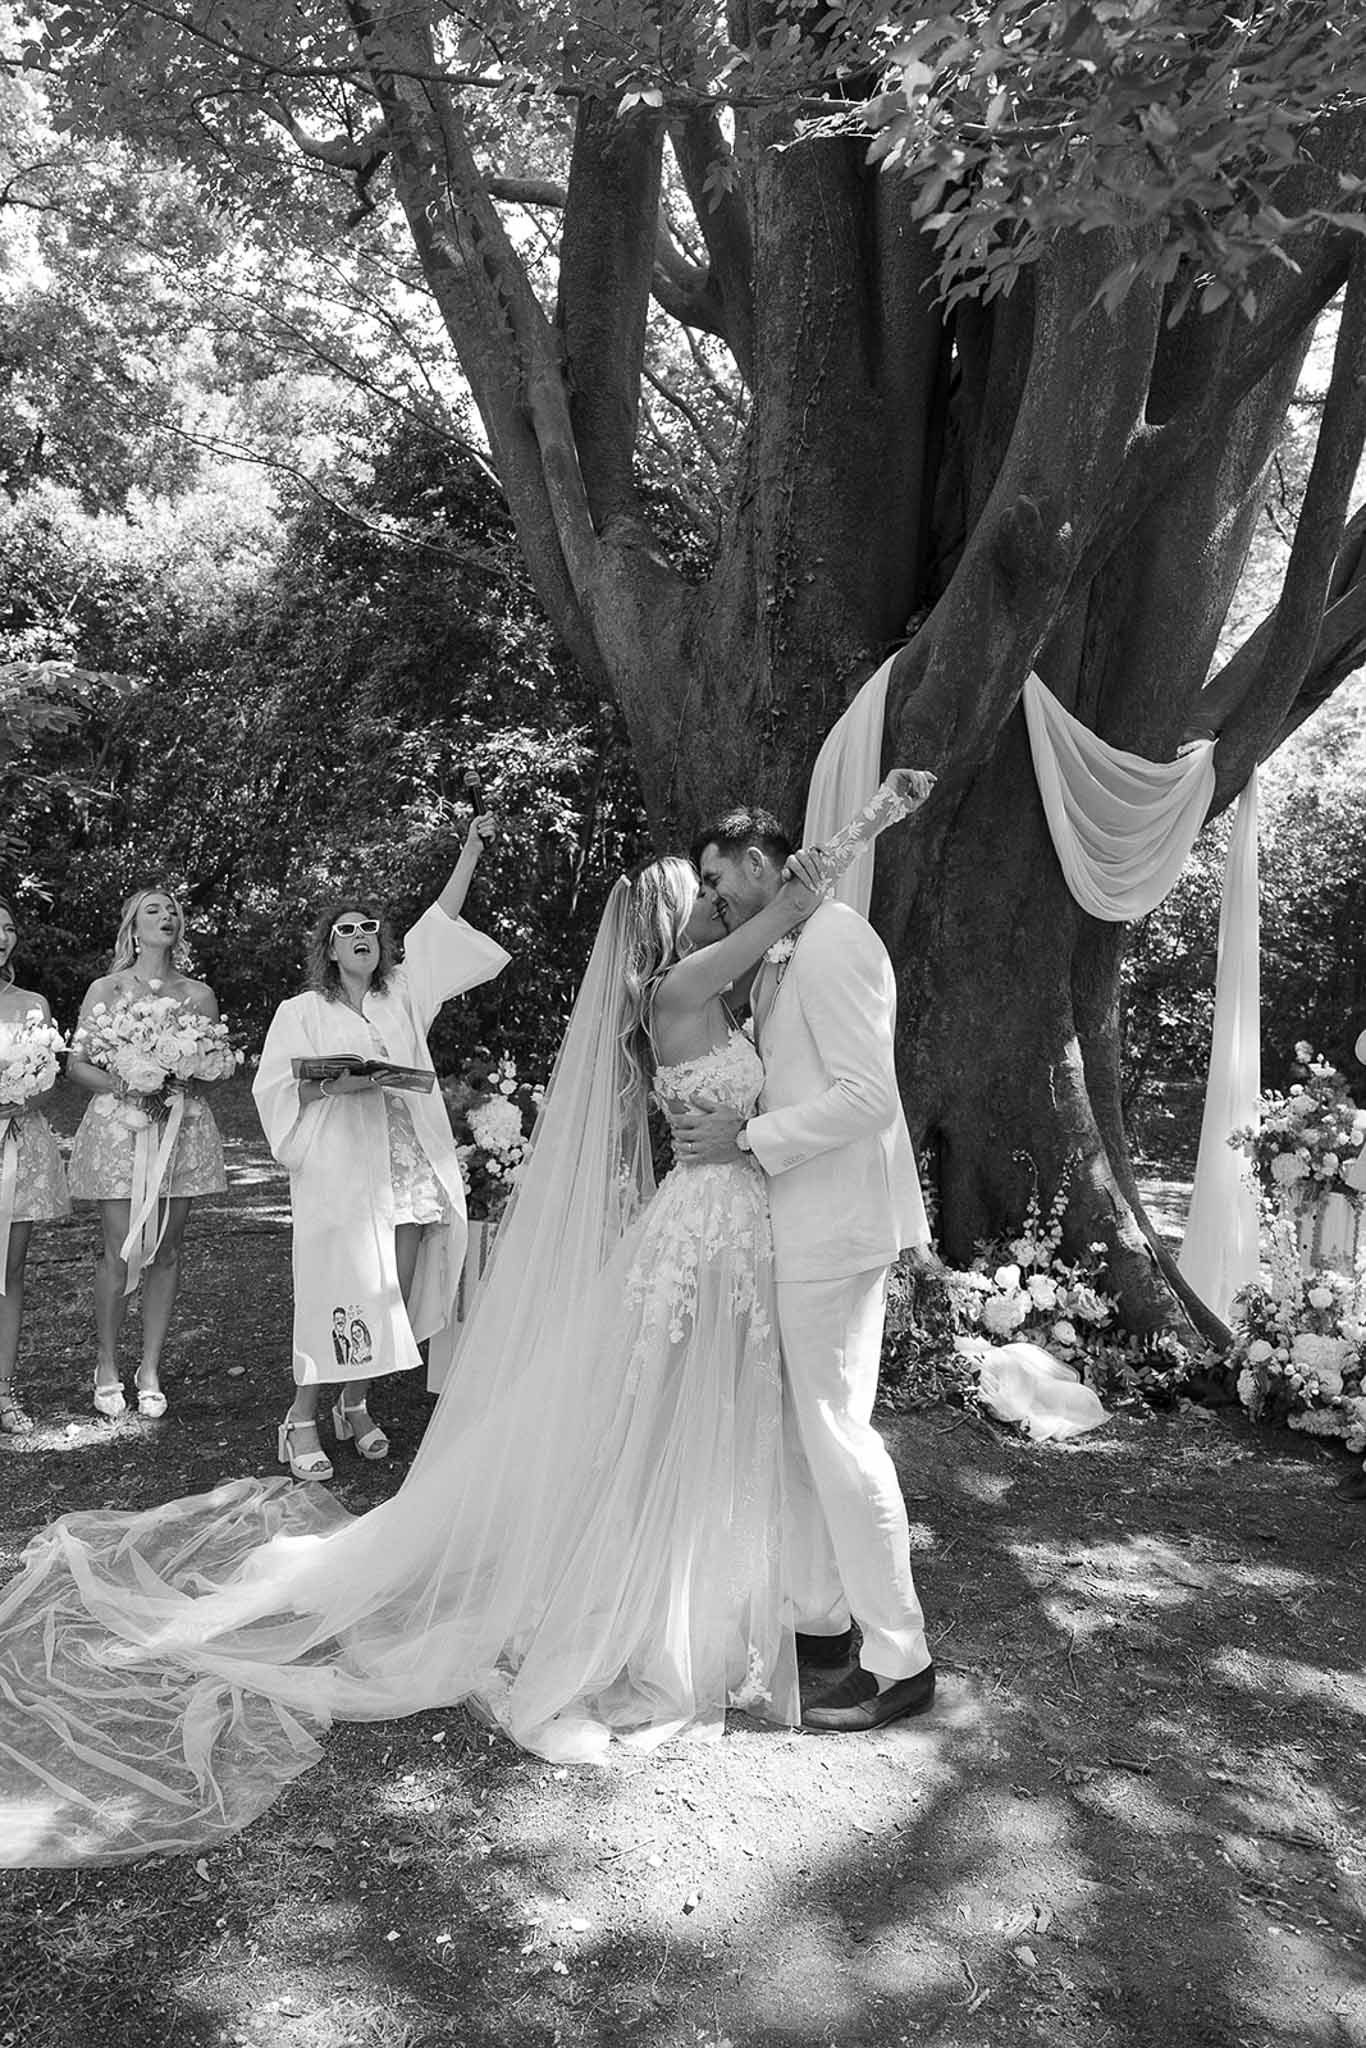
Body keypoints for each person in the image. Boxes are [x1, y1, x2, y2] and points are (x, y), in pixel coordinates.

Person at [0, 782, 924, 1867]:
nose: (725, 900)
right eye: (709, 889)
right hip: (720, 1217)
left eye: (729, 882)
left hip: (749, 1222)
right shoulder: (685, 979)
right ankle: (678, 1600)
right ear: (686, 915)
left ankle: (785, 1608)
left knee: (737, 1411)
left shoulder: (748, 973)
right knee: (671, 1411)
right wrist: (827, 866)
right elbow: (785, 905)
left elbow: (794, 924)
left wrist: (862, 828)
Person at [675, 792, 937, 1732]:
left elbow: (869, 1098)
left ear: (757, 865)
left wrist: (750, 1137)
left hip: (835, 1227)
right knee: (799, 1431)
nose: (715, 900)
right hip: (796, 1222)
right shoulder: (790, 947)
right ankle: (822, 1622)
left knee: (836, 1431)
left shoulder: (835, 943)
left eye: (717, 880)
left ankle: (901, 1657)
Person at [252, 817, 508, 1479]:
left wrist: (471, 851)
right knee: (335, 1289)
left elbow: (440, 920)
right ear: (328, 948)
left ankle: (355, 1404)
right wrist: (325, 1087)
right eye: (348, 929)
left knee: (387, 1289)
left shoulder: (401, 998)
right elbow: (276, 1084)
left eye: (371, 927)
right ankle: (301, 1417)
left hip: (406, 1167)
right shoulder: (301, 1012)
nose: (363, 935)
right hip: (341, 1169)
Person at [67, 887, 228, 1420]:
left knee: (168, 1249)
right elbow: (78, 1065)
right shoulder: (106, 988)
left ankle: (150, 1367)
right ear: (133, 928)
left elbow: (209, 1070)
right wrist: (128, 1081)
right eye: (153, 910)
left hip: (180, 1129)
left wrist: (186, 1076)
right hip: (121, 1129)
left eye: (174, 910)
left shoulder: (200, 995)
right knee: (120, 1248)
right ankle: (107, 1362)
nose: (168, 915)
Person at [0, 897, 71, 1433]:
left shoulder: (32, 1004)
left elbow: (46, 1081)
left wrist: (21, 1098)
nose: (2, 937)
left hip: (16, 1146)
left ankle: (5, 1389)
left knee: (9, 1269)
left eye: (7, 928)